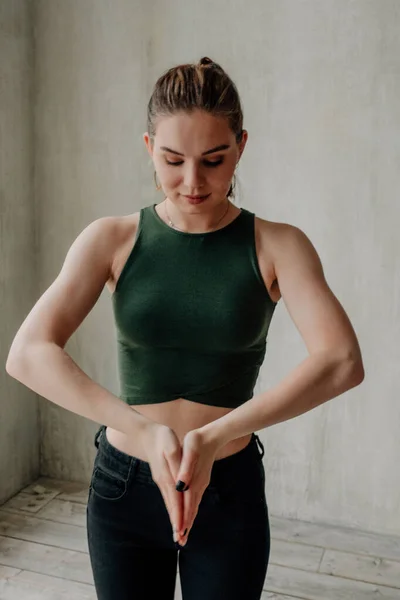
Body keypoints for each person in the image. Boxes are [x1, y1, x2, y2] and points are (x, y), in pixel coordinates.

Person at [5, 56, 364, 600]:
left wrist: (215, 436)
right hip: (125, 484)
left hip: (229, 488)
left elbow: (341, 361)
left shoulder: (277, 245)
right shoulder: (112, 239)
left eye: (214, 160)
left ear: (241, 146)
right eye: (173, 160)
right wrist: (145, 433)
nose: (192, 182)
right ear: (149, 148)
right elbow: (28, 353)